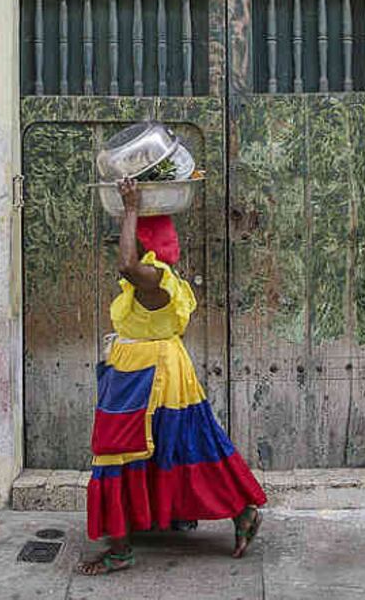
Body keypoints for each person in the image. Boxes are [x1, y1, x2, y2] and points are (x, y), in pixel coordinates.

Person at [78, 178, 266, 575]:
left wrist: (130, 208)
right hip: (160, 372)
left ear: (146, 247)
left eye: (131, 238)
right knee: (180, 446)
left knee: (117, 450)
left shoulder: (154, 282)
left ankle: (120, 550)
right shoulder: (165, 279)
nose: (122, 244)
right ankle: (240, 512)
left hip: (143, 379)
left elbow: (126, 264)